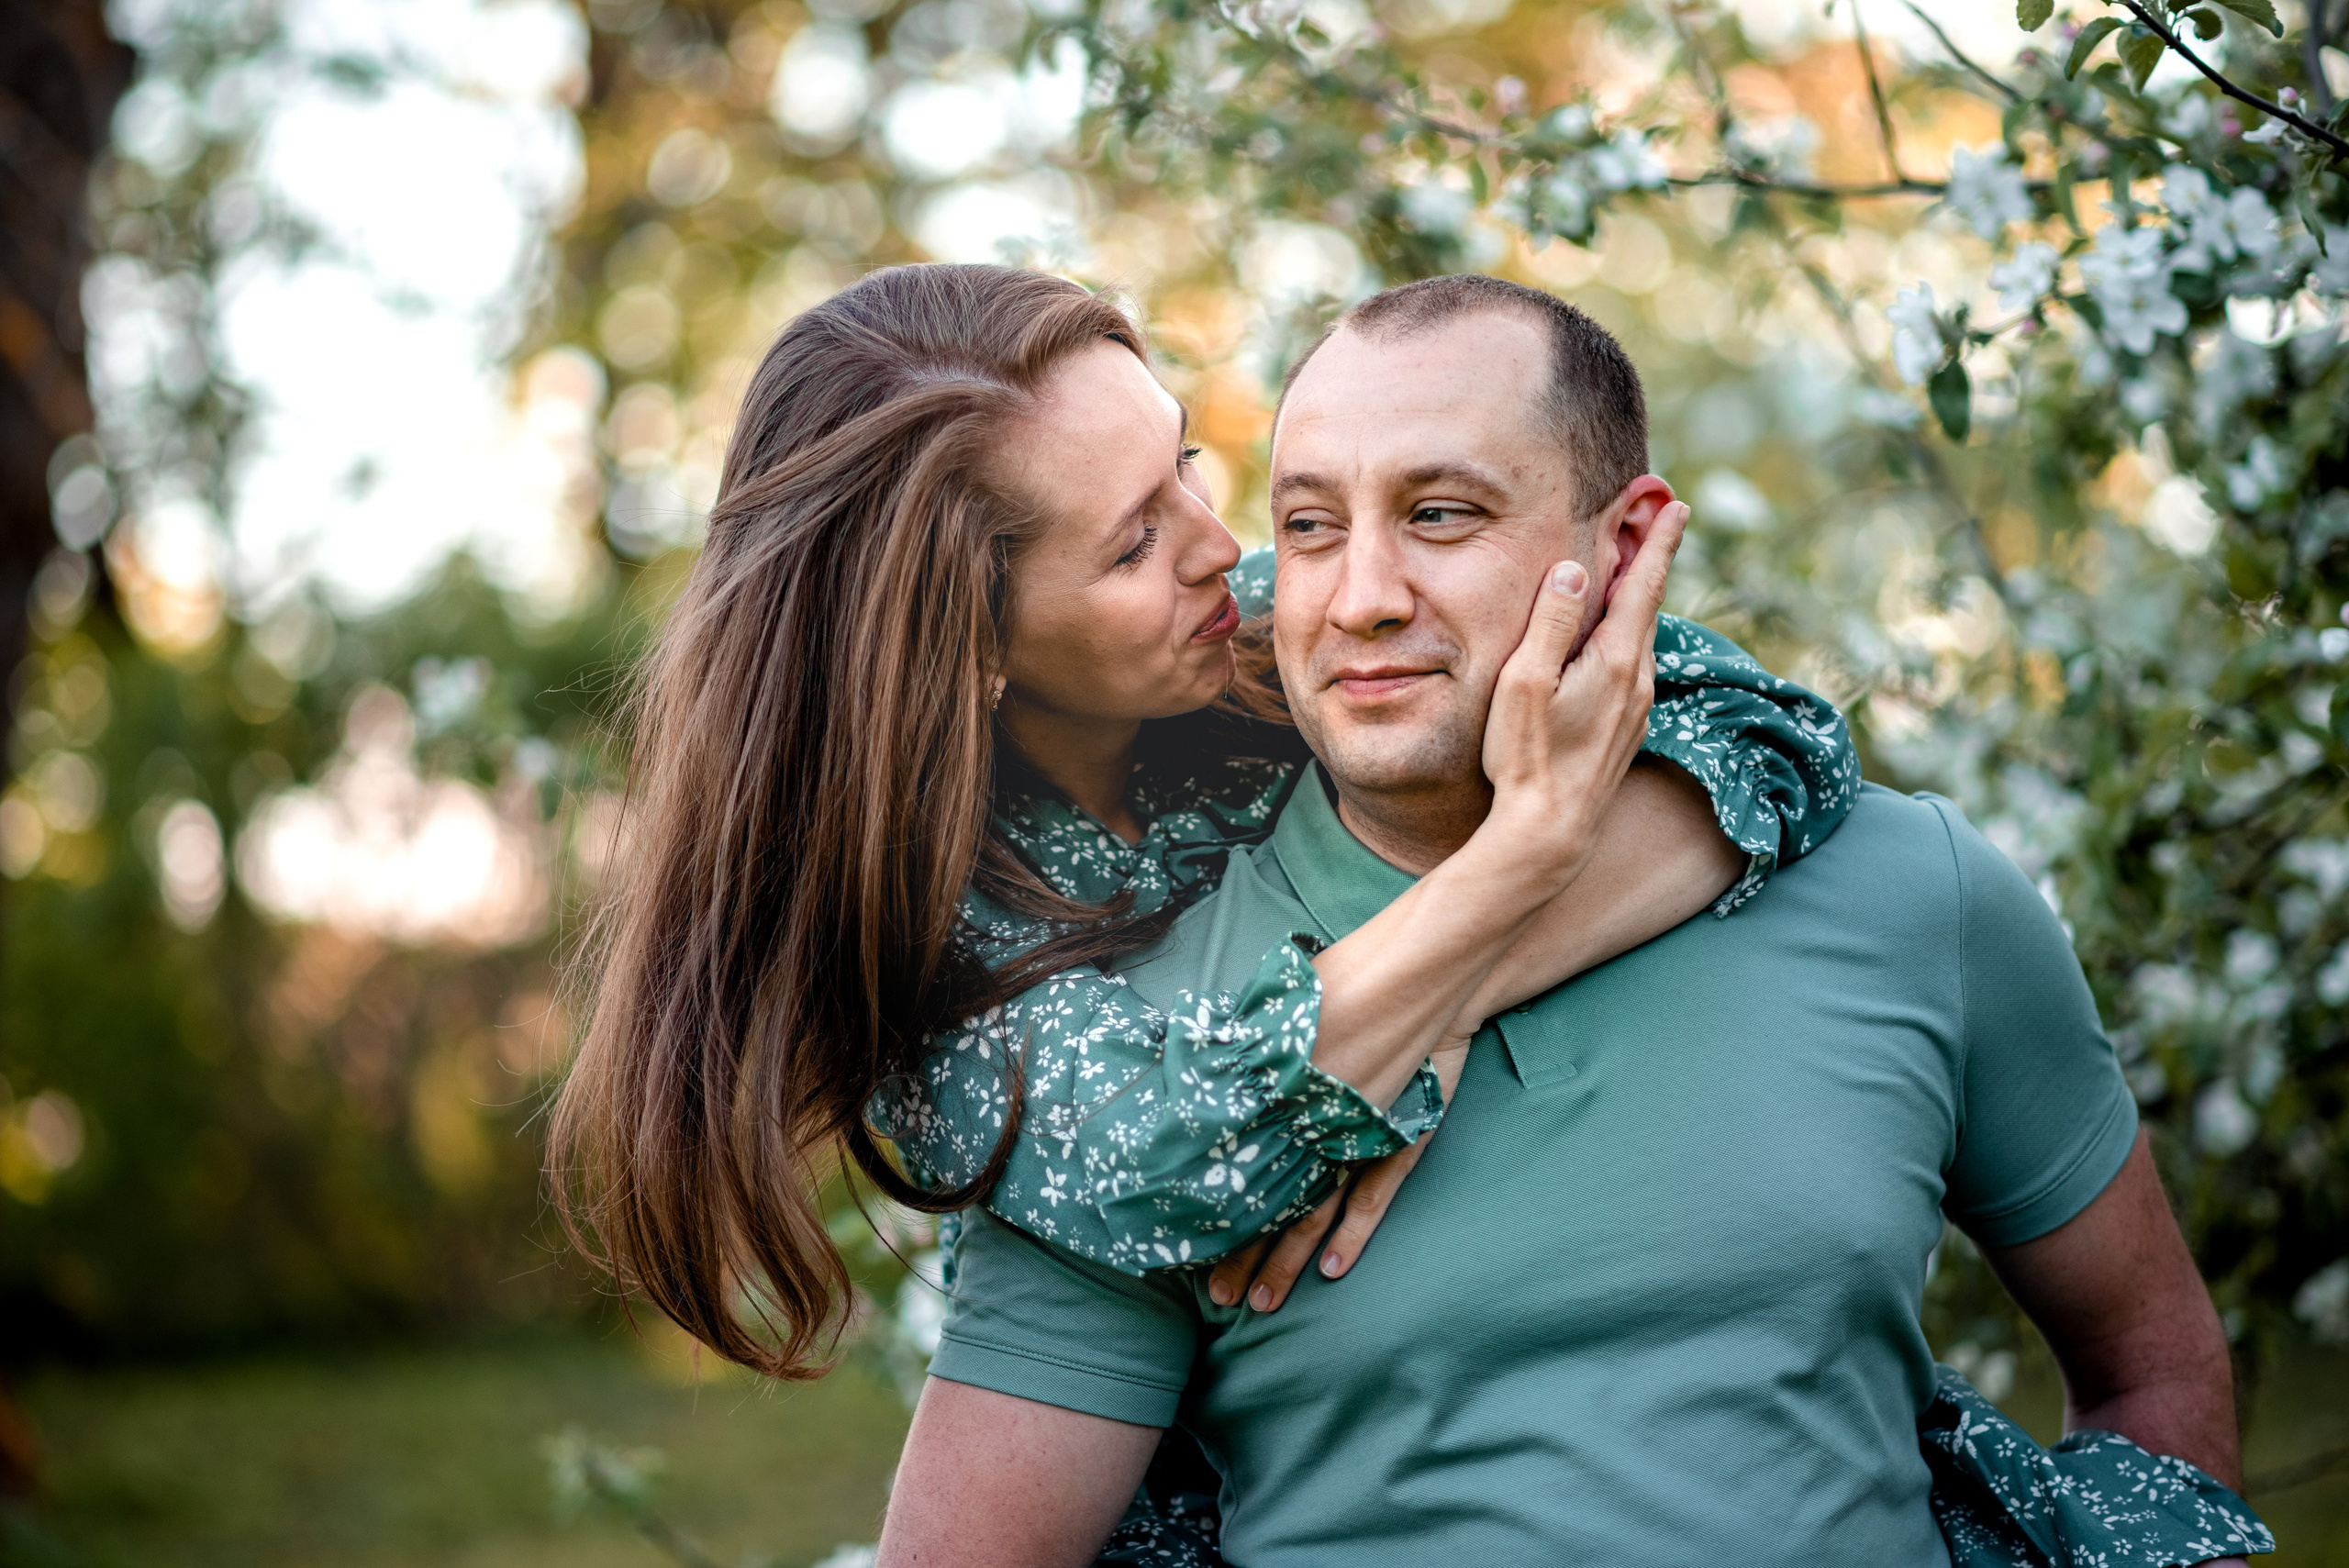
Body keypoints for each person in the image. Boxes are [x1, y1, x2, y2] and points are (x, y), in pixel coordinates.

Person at [876, 276, 2272, 1567]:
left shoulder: (1911, 889)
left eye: (1441, 514)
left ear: (1626, 543)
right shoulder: (1102, 1060)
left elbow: (2155, 1371)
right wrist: (1497, 881)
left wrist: (1466, 963)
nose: (1345, 591)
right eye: (1309, 523)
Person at [550, 262, 1849, 1390]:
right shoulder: (933, 950)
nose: (1226, 544)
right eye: (1130, 547)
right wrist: (1525, 853)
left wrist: (1462, 982)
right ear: (965, 644)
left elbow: (1766, 734)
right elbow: (1179, 1165)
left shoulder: (1285, 633)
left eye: (1181, 459)